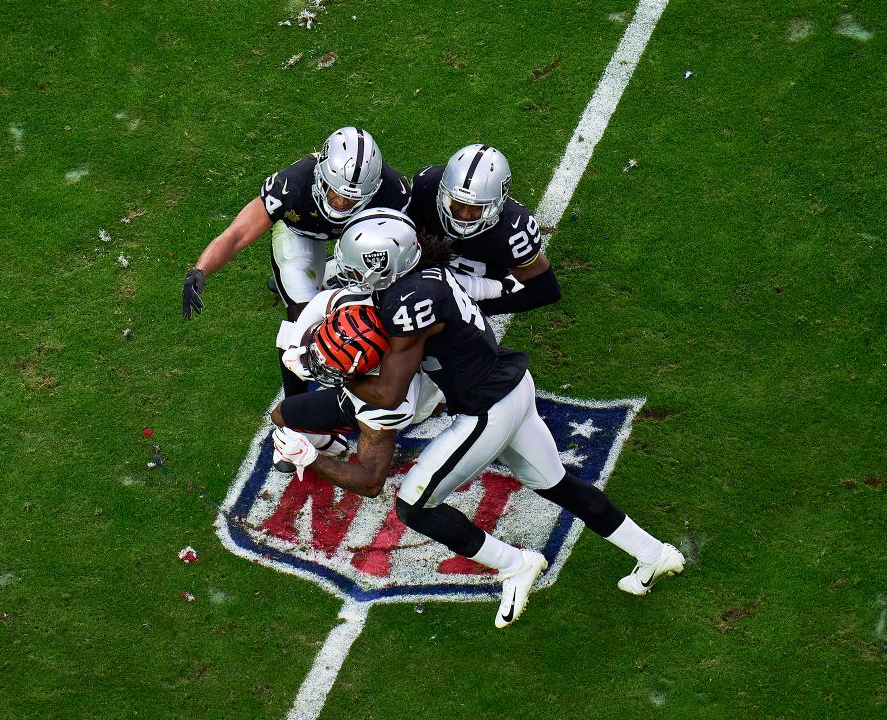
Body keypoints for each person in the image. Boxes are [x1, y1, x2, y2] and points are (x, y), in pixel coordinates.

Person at [271, 208, 682, 628]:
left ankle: (514, 564)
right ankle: (655, 554)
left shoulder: (407, 303)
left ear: (385, 264)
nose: (352, 276)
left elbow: (390, 392)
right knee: (556, 484)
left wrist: (331, 371)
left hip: (487, 409)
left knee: (414, 506)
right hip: (513, 384)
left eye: (360, 267)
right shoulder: (423, 273)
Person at [182, 127, 411, 399]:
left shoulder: (395, 192)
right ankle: (294, 409)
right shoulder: (293, 184)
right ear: (320, 175)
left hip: (360, 241)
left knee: (377, 302)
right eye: (334, 192)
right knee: (302, 320)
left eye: (352, 198)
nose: (340, 202)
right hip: (300, 233)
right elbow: (238, 235)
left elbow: (406, 250)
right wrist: (200, 268)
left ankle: (329, 274)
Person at [406, 144, 561, 316]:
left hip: (479, 289)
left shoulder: (513, 231)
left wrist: (474, 309)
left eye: (476, 208)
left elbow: (546, 290)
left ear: (497, 203)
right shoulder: (425, 187)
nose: (464, 215)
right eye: (457, 203)